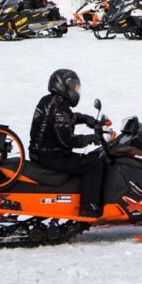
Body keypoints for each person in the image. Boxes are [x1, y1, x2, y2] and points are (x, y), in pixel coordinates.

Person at [29, 68, 106, 219]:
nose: (76, 91)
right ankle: (88, 206)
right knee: (94, 163)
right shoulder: (60, 108)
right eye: (75, 87)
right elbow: (67, 141)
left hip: (39, 152)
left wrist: (86, 119)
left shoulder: (48, 101)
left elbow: (65, 118)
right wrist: (92, 138)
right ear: (65, 86)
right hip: (52, 156)